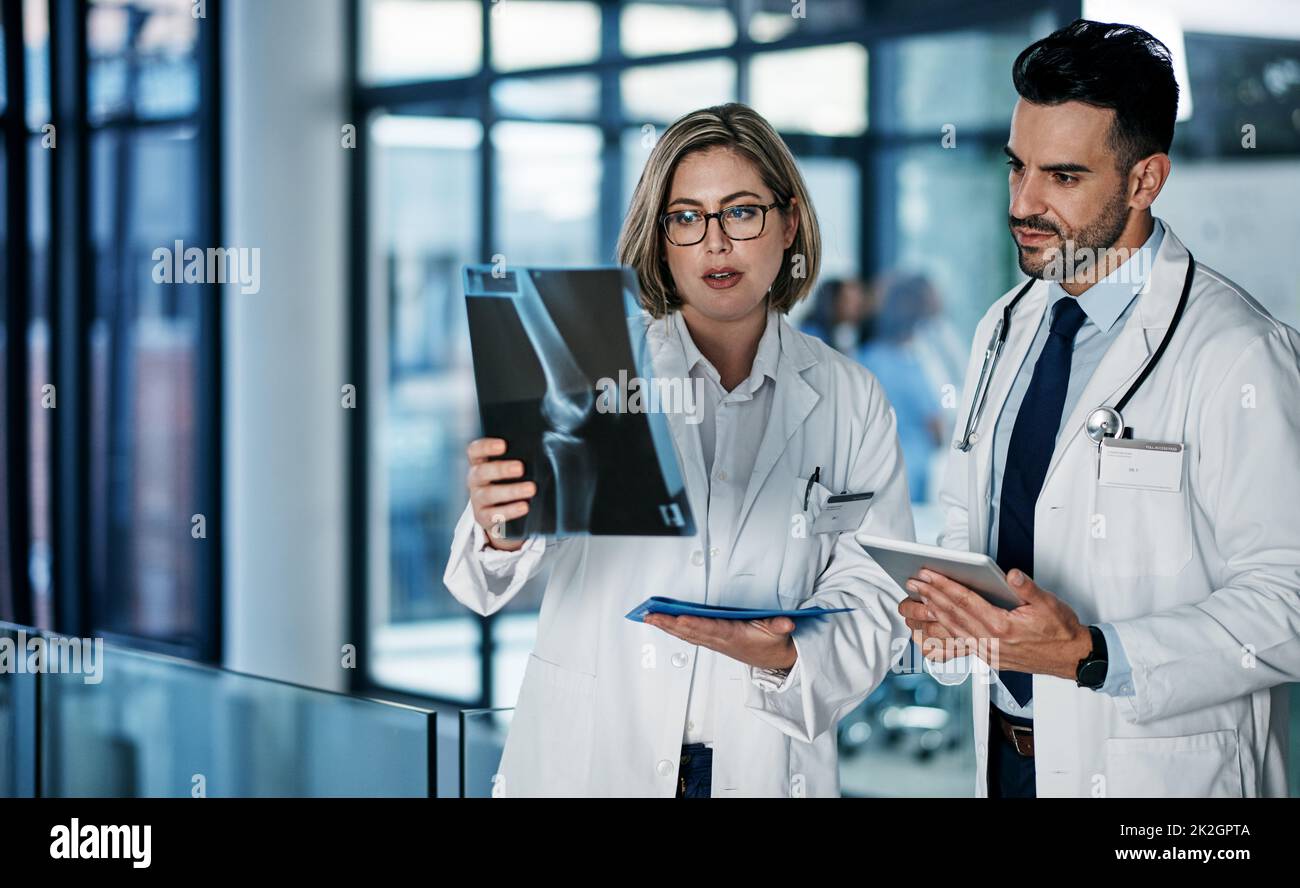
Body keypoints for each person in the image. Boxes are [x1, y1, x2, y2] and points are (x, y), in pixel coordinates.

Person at [444, 103, 915, 797]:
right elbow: (481, 585)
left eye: (742, 212)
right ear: (662, 240)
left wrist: (789, 656)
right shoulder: (593, 370)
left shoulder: (851, 397)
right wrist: (500, 526)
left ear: (788, 224)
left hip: (762, 759)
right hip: (595, 760)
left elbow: (876, 593)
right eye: (687, 217)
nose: (715, 243)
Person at [901, 20, 1300, 798]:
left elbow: (1289, 603)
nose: (1024, 202)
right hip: (1009, 759)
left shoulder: (1237, 352)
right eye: (1017, 167)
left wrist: (1095, 654)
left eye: (1063, 177)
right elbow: (970, 520)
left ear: (1146, 180)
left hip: (1159, 781)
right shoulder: (1004, 326)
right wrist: (948, 611)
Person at [857, 273, 948, 501]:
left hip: (874, 472)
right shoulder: (913, 364)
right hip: (914, 474)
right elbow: (936, 425)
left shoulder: (865, 359)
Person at [800, 277, 876, 356]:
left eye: (861, 303)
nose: (857, 303)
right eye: (847, 301)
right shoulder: (810, 336)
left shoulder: (871, 346)